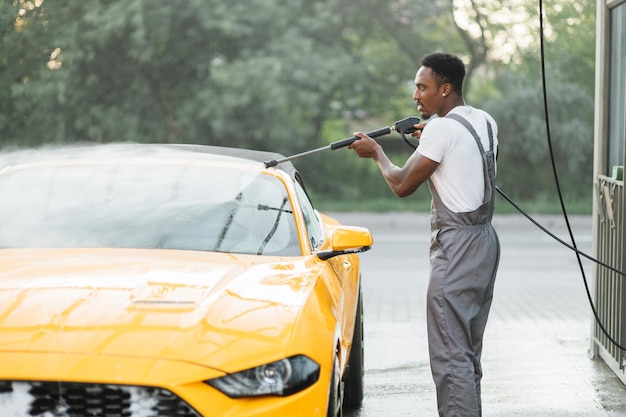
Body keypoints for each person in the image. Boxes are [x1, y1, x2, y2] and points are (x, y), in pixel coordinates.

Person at [348, 52, 500, 417]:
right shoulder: (484, 120)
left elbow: (402, 184)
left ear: (445, 88)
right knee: (466, 352)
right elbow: (457, 159)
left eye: (423, 87)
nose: (416, 95)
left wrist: (377, 154)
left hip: (457, 248)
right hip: (485, 242)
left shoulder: (442, 129)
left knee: (450, 354)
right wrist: (427, 135)